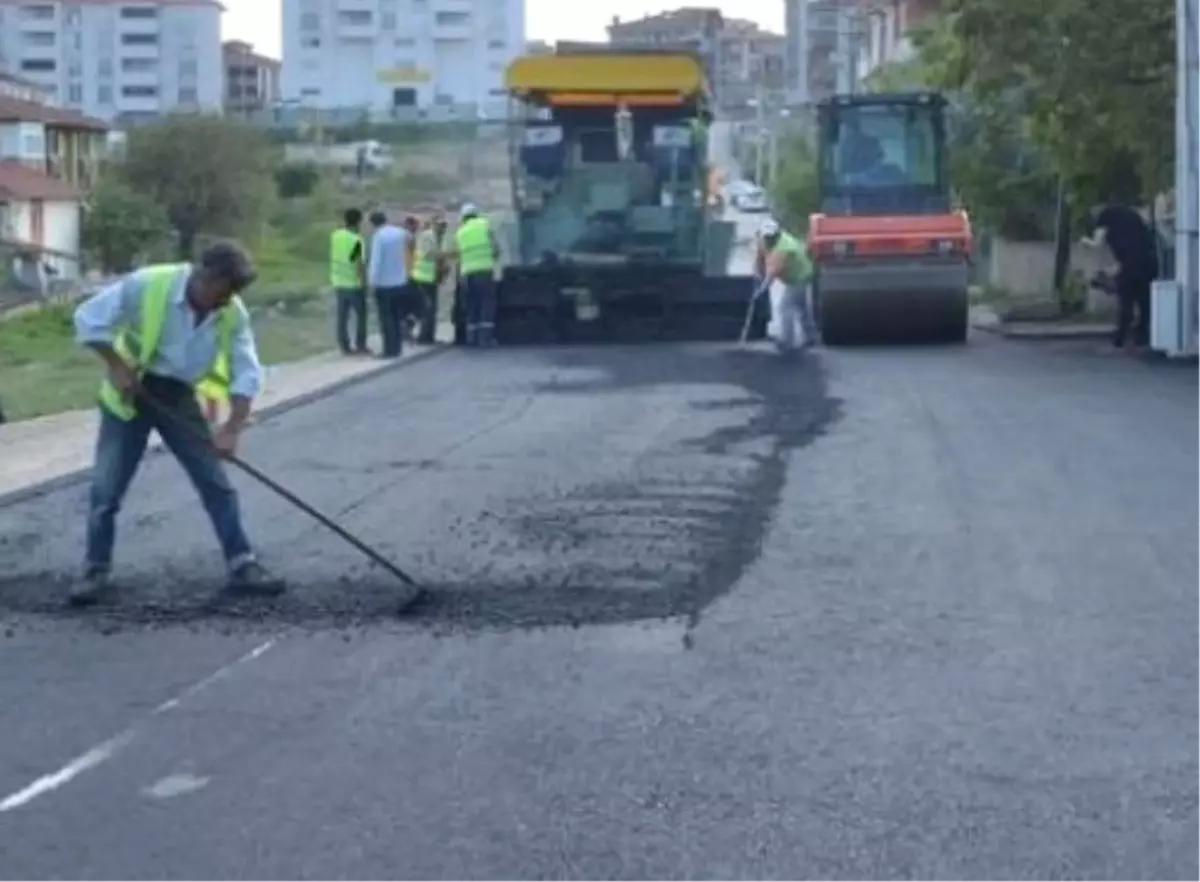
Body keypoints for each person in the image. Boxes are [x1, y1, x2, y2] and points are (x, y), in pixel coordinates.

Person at [70, 242, 286, 606]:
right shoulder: (148, 284)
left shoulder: (231, 311)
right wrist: (117, 365)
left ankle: (243, 563)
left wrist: (231, 428)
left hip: (178, 397)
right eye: (225, 290)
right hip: (131, 396)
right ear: (205, 276)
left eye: (234, 293)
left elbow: (246, 371)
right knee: (106, 491)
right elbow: (88, 319)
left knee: (215, 483)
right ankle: (95, 570)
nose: (228, 300)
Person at [1082, 203, 1160, 349]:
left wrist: (1086, 242)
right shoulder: (1131, 213)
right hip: (1148, 260)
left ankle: (1120, 338)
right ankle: (1142, 336)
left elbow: (1097, 243)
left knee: (1127, 301)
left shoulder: (1105, 217)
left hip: (1130, 263)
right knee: (1145, 301)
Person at [755, 218, 817, 352]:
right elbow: (760, 257)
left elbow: (774, 271)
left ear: (777, 234)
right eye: (766, 237)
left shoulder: (785, 247)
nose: (768, 239)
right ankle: (811, 336)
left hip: (799, 277)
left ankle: (787, 341)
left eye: (770, 237)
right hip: (794, 276)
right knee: (802, 307)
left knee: (785, 307)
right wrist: (758, 274)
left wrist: (762, 288)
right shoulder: (765, 240)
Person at [450, 203, 501, 346]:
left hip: (466, 274)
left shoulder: (460, 232)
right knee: (487, 303)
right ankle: (485, 339)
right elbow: (495, 247)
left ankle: (471, 339)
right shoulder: (484, 224)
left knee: (471, 305)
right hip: (484, 271)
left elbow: (457, 254)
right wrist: (495, 257)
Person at [366, 209, 412, 358]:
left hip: (384, 284)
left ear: (373, 224)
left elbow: (376, 262)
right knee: (397, 317)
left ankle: (389, 350)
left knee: (387, 319)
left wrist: (371, 282)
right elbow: (410, 239)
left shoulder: (378, 237)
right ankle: (398, 348)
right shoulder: (400, 232)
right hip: (400, 281)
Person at [330, 208, 368, 355]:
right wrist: (364, 283)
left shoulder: (336, 235)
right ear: (358, 221)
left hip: (338, 281)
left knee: (342, 317)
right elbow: (358, 264)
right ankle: (360, 345)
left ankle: (344, 346)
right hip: (353, 284)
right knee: (361, 316)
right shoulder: (357, 240)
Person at [411, 215, 442, 344]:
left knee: (431, 309)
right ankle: (424, 337)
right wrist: (445, 254)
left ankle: (429, 337)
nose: (443, 227)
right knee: (428, 308)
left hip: (430, 278)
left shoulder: (435, 236)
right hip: (423, 277)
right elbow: (428, 253)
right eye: (441, 224)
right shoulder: (428, 236)